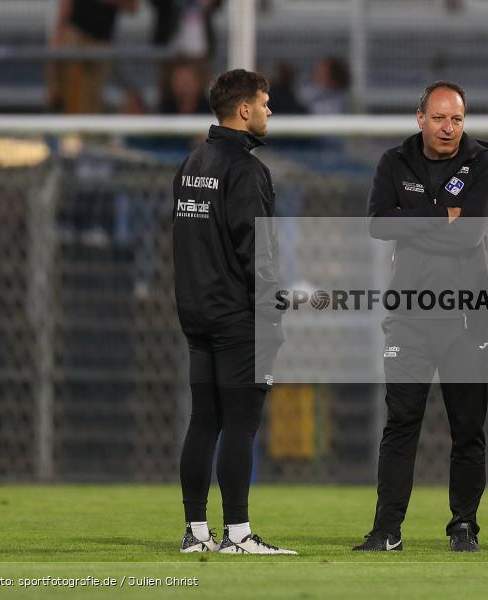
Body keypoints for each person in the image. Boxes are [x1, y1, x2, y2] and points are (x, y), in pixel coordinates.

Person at [353, 81, 488, 552]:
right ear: (420, 118)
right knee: (401, 423)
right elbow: (377, 222)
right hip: (410, 317)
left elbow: (470, 234)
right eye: (439, 118)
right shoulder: (393, 162)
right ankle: (387, 529)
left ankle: (464, 525)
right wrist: (443, 216)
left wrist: (413, 217)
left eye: (456, 119)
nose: (448, 128)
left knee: (467, 427)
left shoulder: (484, 164)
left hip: (466, 319)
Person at [172, 69, 295, 555]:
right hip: (238, 317)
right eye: (264, 103)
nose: (269, 111)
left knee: (205, 420)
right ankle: (238, 534)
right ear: (244, 109)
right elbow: (256, 251)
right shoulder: (246, 170)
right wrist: (272, 315)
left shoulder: (191, 163)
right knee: (241, 422)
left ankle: (196, 532)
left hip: (197, 314)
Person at [47, 0, 138, 113]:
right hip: (77, 36)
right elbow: (66, 5)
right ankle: (71, 125)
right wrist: (58, 33)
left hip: (102, 42)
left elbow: (133, 7)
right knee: (72, 93)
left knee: (93, 97)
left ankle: (88, 128)